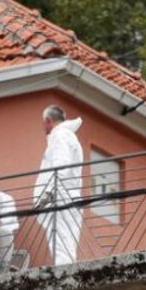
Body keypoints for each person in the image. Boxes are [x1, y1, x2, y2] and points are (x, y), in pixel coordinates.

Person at [33, 105, 83, 266]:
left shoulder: (59, 136)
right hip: (68, 195)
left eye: (44, 123)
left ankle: (63, 274)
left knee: (61, 241)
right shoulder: (70, 137)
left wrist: (48, 192)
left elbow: (61, 164)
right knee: (67, 242)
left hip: (59, 197)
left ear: (48, 121)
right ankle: (67, 272)